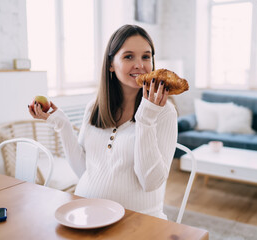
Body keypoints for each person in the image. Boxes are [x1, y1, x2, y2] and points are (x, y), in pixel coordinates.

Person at [29, 24, 177, 219]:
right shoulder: (94, 107)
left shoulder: (164, 112)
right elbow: (85, 170)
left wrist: (146, 118)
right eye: (128, 56)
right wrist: (62, 123)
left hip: (137, 219)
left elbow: (150, 182)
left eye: (146, 56)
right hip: (86, 213)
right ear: (110, 64)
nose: (140, 65)